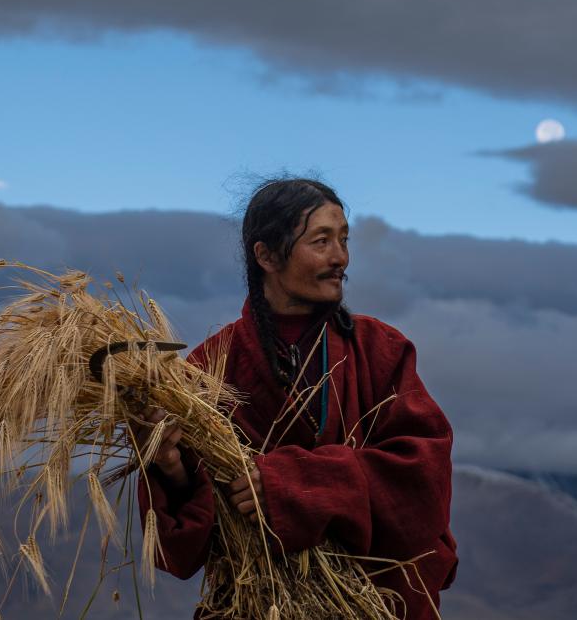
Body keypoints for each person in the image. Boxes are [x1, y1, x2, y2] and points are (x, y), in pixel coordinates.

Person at [137, 178, 457, 619]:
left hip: (374, 602)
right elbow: (187, 542)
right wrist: (170, 468)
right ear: (267, 256)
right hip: (259, 603)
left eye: (344, 240)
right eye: (321, 241)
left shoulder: (379, 350)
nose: (340, 257)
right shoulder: (209, 369)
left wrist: (293, 485)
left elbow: (424, 476)